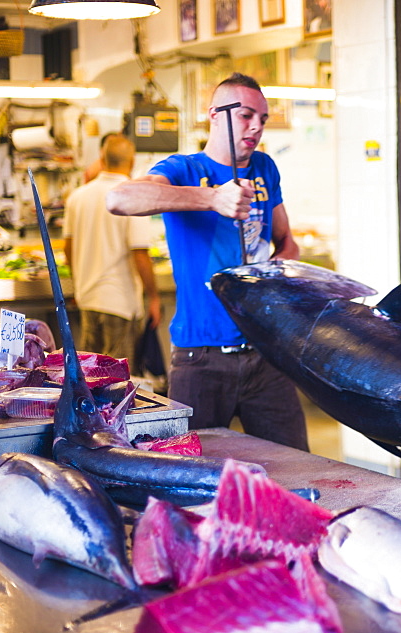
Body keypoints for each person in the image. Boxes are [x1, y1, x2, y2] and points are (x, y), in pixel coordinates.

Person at [106, 72, 308, 452]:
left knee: (297, 467)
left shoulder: (264, 168)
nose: (256, 127)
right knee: (190, 474)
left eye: (262, 119)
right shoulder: (183, 169)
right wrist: (211, 199)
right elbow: (119, 199)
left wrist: (277, 273)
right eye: (247, 115)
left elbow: (288, 242)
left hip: (266, 353)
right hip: (201, 358)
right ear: (214, 114)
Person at [63, 133, 161, 363]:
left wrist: (78, 284)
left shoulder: (77, 196)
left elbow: (68, 248)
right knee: (117, 382)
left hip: (87, 297)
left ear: (102, 158)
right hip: (119, 302)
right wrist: (154, 297)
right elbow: (140, 254)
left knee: (89, 377)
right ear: (133, 161)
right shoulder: (133, 195)